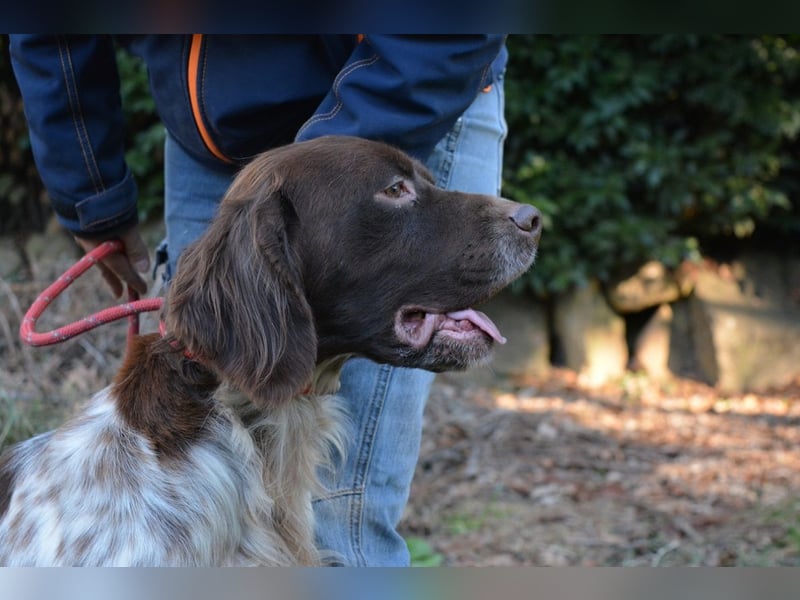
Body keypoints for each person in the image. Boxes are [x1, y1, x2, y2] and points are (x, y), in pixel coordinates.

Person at [9, 34, 508, 566]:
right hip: (208, 128)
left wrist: (317, 186)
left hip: (404, 88)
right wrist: (88, 184)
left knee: (341, 531)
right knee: (177, 503)